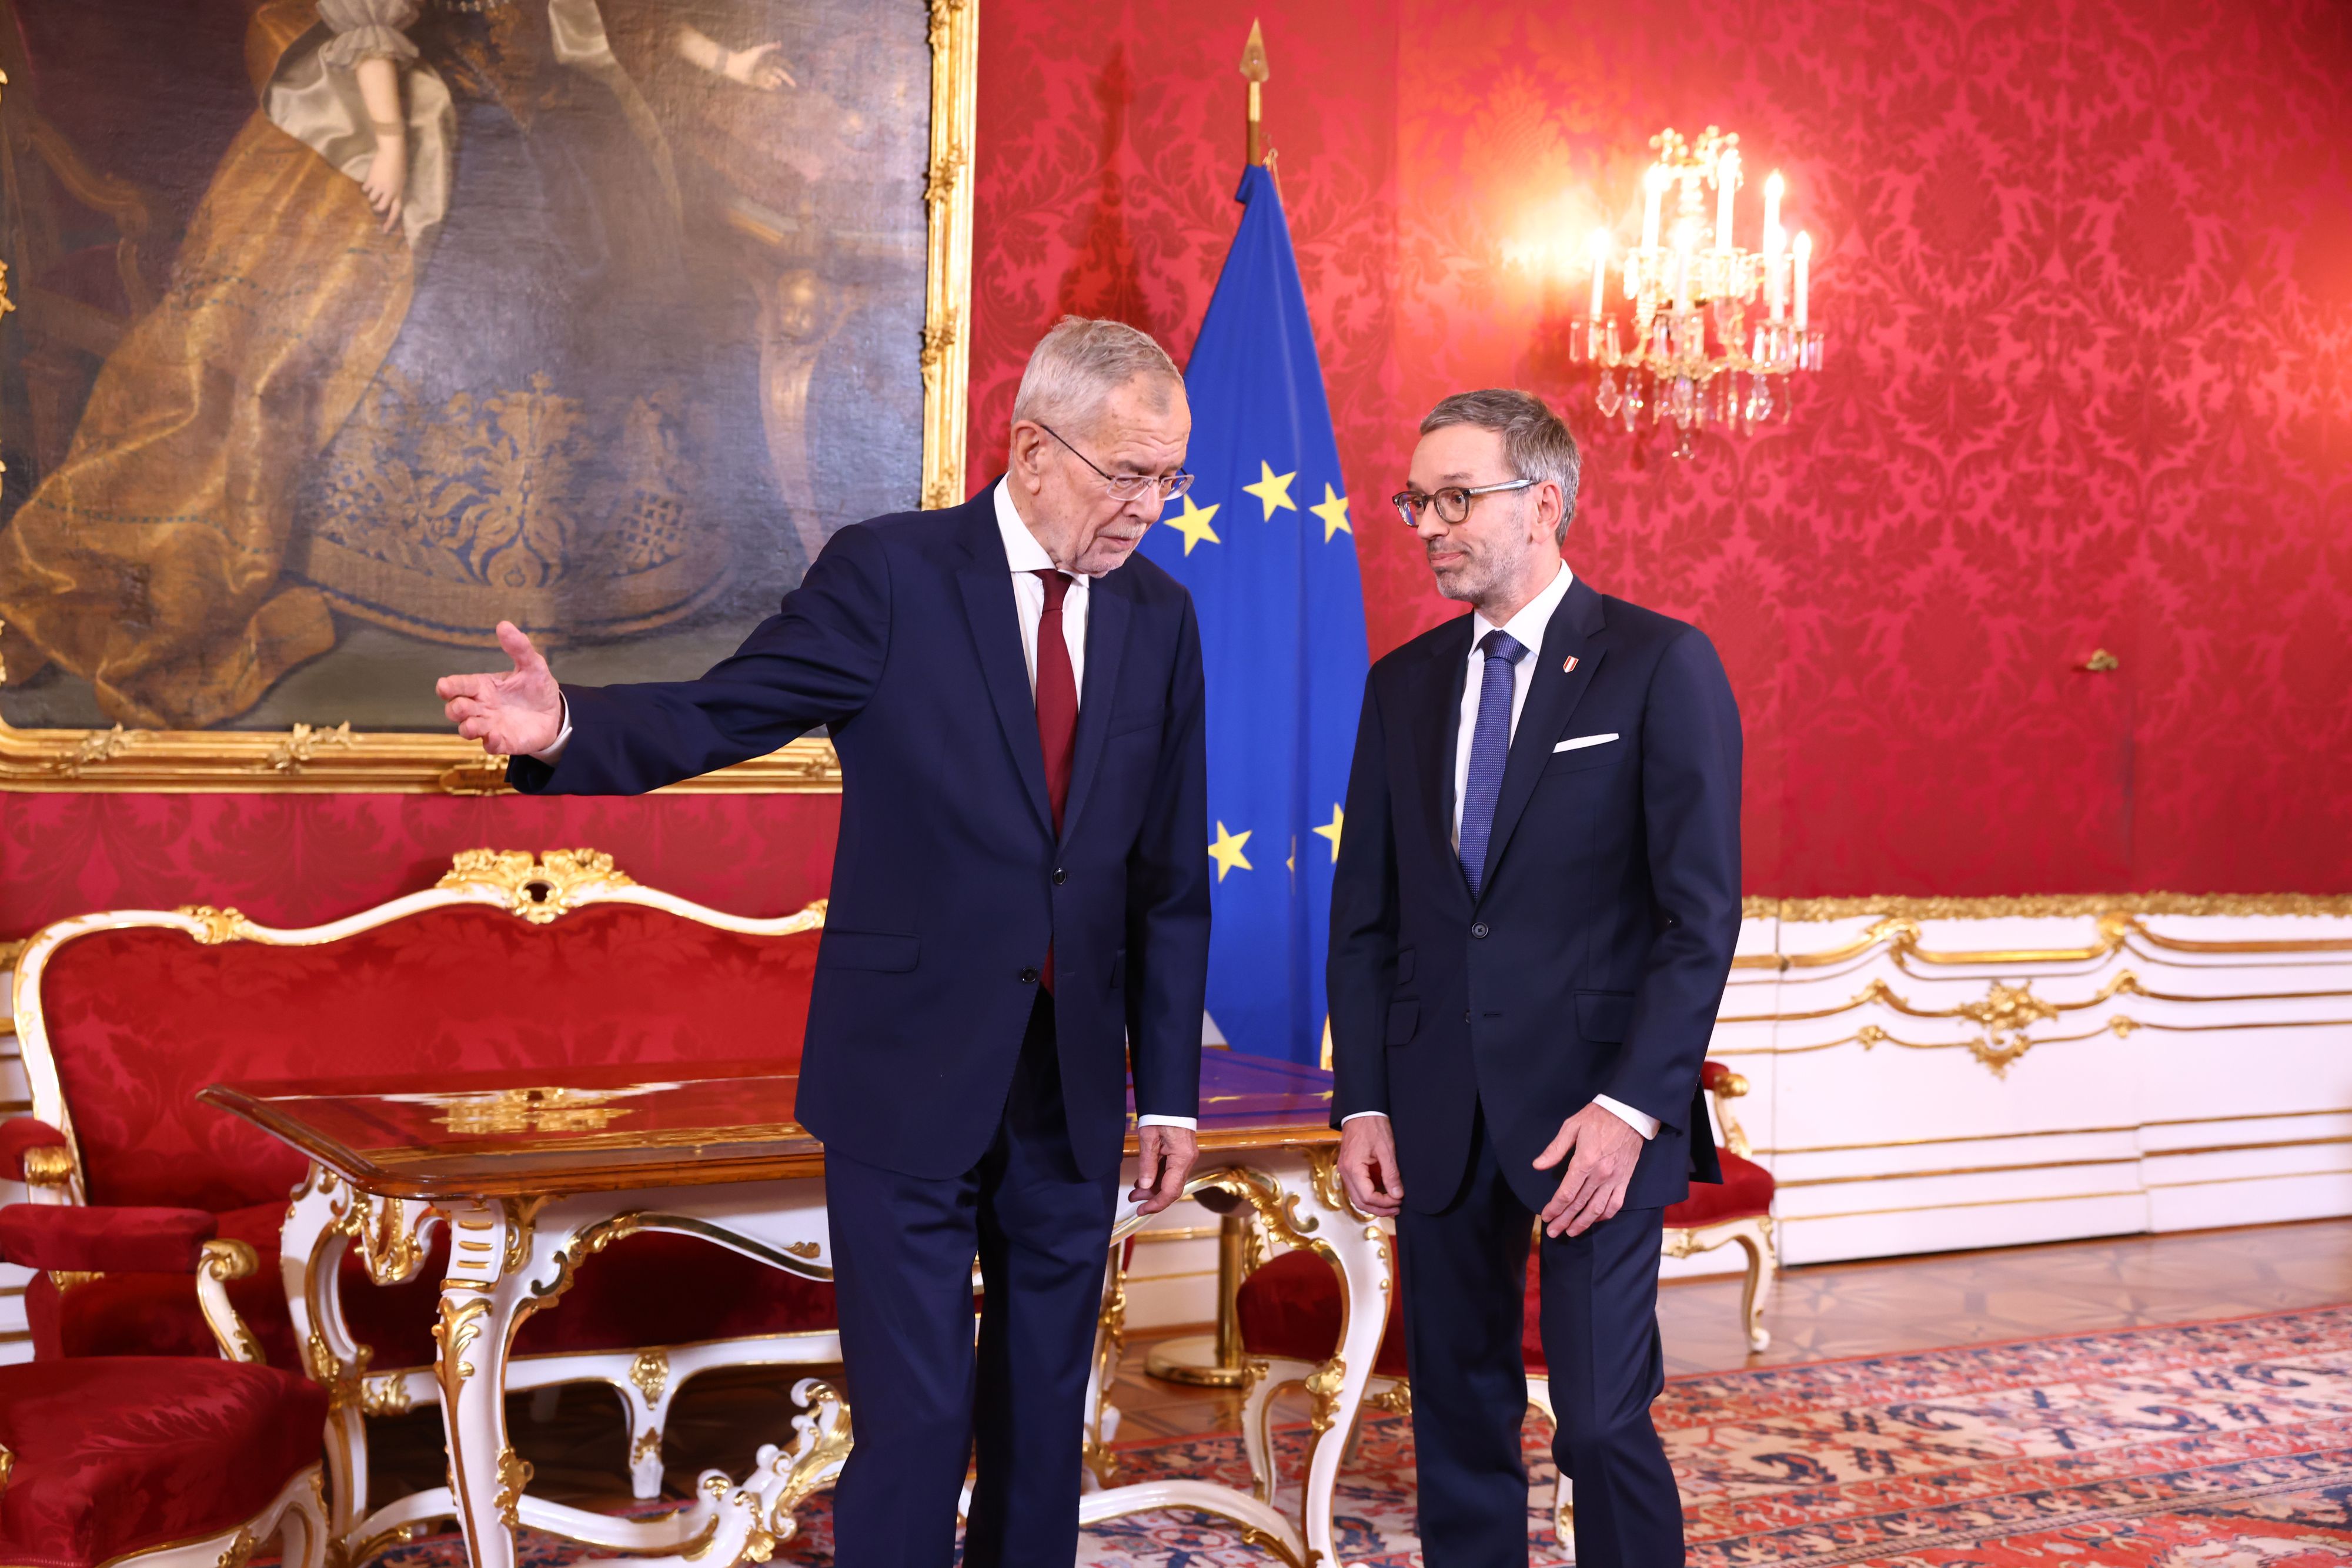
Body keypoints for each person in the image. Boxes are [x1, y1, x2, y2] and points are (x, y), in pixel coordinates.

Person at [436, 316, 1212, 1566]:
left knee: (1039, 1414)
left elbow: (1169, 875)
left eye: (1170, 478)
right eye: (1127, 474)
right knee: (916, 1416)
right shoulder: (894, 575)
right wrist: (564, 725)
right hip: (905, 1067)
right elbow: (718, 711)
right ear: (1029, 449)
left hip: (1069, 1080)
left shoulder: (1159, 616)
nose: (1150, 508)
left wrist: (1165, 1087)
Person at [1327, 389, 1741, 1566]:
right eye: (1417, 499)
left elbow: (1696, 914)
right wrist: (1363, 1096)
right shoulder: (1398, 685)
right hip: (1436, 1107)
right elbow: (1365, 915)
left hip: (1596, 1115)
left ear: (1543, 503)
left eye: (1456, 497)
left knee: (1602, 1419)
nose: (1426, 523)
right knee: (1457, 1412)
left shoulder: (1659, 662)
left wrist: (1630, 1106)